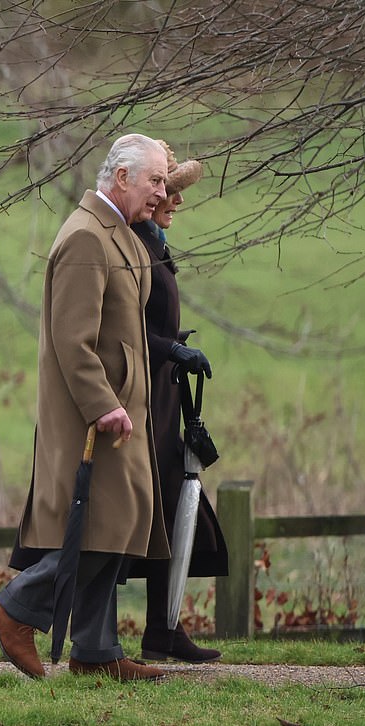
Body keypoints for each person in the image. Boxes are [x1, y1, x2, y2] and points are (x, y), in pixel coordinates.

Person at [0, 133, 172, 682]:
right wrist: (102, 404)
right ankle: (13, 610)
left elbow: (152, 243)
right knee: (95, 531)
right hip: (95, 416)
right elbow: (72, 339)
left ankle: (95, 649)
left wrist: (164, 192)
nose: (161, 192)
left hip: (117, 411)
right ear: (120, 179)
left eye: (164, 180)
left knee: (116, 526)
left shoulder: (117, 229)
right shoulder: (88, 238)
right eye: (154, 180)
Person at [129, 141, 229, 663]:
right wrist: (173, 348)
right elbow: (127, 325)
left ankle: (163, 629)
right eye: (168, 189)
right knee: (148, 510)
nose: (175, 199)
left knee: (173, 507)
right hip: (140, 392)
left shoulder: (154, 239)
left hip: (164, 391)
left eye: (177, 189)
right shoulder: (133, 243)